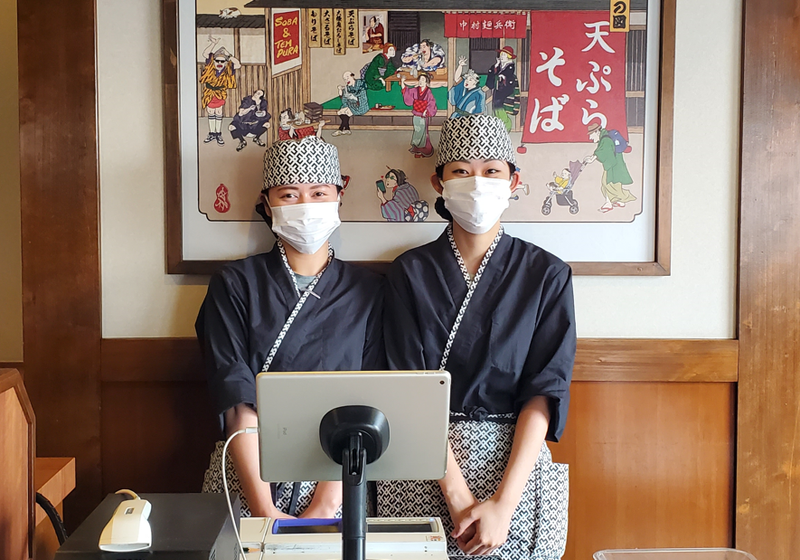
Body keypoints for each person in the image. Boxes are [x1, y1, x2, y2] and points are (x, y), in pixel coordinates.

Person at [378, 114, 575, 560]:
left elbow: (545, 392)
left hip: (516, 470)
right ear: (439, 182)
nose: (478, 182)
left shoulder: (547, 275)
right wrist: (458, 497)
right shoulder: (409, 272)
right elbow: (407, 386)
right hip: (425, 464)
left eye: (492, 171)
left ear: (513, 181)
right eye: (462, 171)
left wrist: (504, 504)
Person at [196, 136, 385, 519]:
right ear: (267, 204)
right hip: (250, 473)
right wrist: (264, 509)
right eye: (288, 195)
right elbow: (235, 396)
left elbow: (369, 398)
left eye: (319, 194)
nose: (305, 206)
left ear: (339, 197)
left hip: (340, 475)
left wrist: (325, 504)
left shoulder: (368, 290)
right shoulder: (234, 285)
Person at [584, 123, 636, 212]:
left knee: (606, 183)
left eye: (591, 135)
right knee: (615, 183)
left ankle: (610, 203)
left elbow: (604, 151)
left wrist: (593, 158)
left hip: (613, 165)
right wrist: (593, 157)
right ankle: (619, 201)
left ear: (596, 132)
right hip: (616, 163)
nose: (590, 138)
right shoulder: (605, 137)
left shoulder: (605, 139)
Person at [199, 35, 241, 146]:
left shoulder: (228, 69)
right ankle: (212, 133)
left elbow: (238, 64)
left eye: (222, 61)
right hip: (209, 92)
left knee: (218, 112)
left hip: (220, 93)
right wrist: (214, 44)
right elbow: (205, 53)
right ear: (214, 61)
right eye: (217, 60)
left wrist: (229, 54)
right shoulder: (210, 66)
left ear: (225, 62)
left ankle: (218, 133)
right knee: (210, 112)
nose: (219, 63)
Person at [401, 72, 437, 158]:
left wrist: (427, 110)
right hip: (416, 113)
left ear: (427, 82)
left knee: (423, 133)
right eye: (420, 79)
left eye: (423, 80)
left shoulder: (428, 92)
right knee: (418, 131)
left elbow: (432, 102)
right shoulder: (415, 90)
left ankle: (422, 150)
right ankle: (417, 149)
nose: (421, 81)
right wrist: (402, 82)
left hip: (423, 115)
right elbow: (406, 92)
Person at [486, 46, 519, 132]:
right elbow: (492, 74)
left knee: (500, 109)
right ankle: (498, 129)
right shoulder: (499, 66)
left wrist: (503, 77)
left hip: (504, 92)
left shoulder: (510, 67)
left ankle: (506, 128)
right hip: (497, 91)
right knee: (495, 109)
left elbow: (509, 77)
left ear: (509, 56)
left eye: (504, 55)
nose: (502, 56)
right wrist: (496, 65)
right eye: (501, 54)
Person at [333, 72, 369, 137]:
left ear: (352, 76)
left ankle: (341, 129)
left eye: (347, 77)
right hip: (351, 105)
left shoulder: (361, 84)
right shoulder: (347, 87)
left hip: (361, 106)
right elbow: (344, 100)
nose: (346, 80)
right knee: (340, 112)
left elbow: (363, 97)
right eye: (345, 79)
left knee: (347, 112)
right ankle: (346, 129)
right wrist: (340, 91)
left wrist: (354, 98)